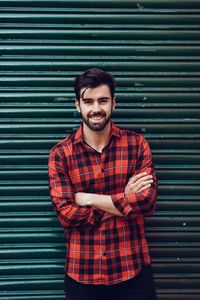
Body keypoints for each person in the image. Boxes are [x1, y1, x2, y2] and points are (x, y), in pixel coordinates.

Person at [48, 68, 158, 300]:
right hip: (82, 275)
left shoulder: (137, 145)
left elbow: (147, 202)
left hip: (133, 271)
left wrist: (88, 199)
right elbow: (66, 215)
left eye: (103, 100)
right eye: (88, 101)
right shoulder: (60, 154)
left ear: (113, 103)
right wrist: (124, 199)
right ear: (78, 105)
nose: (96, 108)